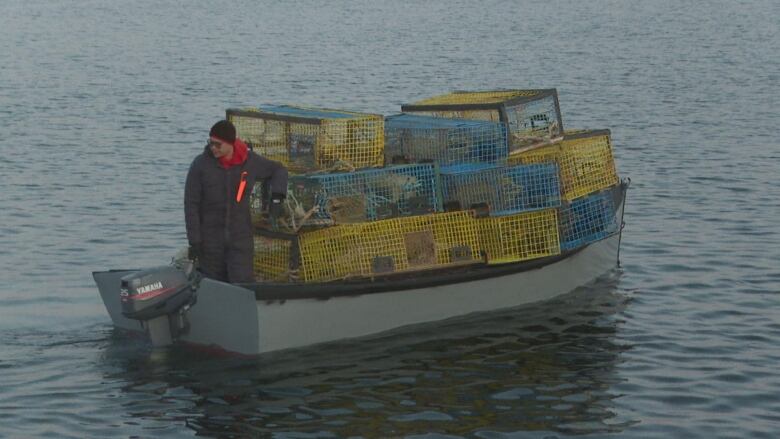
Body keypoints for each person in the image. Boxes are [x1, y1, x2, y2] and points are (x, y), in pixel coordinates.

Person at [184, 120, 288, 283]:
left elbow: (279, 170)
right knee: (214, 288)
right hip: (210, 242)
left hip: (240, 241)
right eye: (210, 143)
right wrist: (194, 241)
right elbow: (191, 205)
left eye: (218, 145)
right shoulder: (200, 165)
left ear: (230, 143)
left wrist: (277, 197)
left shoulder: (250, 162)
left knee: (242, 287)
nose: (213, 148)